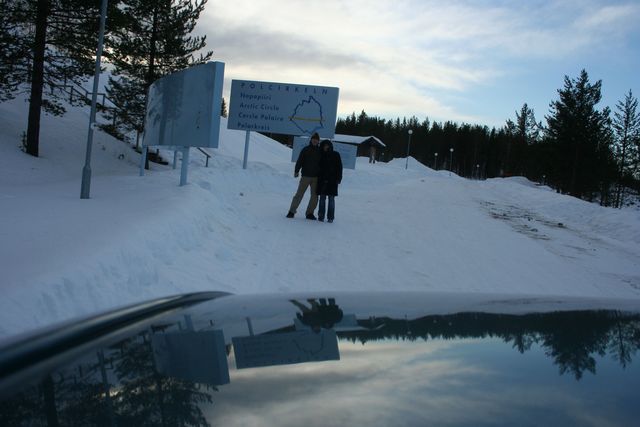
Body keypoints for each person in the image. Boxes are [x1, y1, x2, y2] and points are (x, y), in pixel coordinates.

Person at [286, 132, 321, 220]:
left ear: (318, 141)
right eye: (313, 139)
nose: (315, 141)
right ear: (311, 140)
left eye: (316, 140)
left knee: (315, 197)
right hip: (306, 176)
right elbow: (300, 160)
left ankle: (310, 213)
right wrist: (296, 171)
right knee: (299, 194)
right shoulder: (305, 149)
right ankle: (291, 211)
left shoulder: (320, 151)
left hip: (316, 177)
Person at [317, 139, 343, 223]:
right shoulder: (320, 154)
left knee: (331, 199)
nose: (326, 147)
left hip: (333, 181)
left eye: (327, 145)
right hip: (322, 180)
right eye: (324, 145)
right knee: (322, 198)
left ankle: (330, 217)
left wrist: (339, 178)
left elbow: (339, 167)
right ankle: (321, 216)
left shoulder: (336, 154)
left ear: (330, 146)